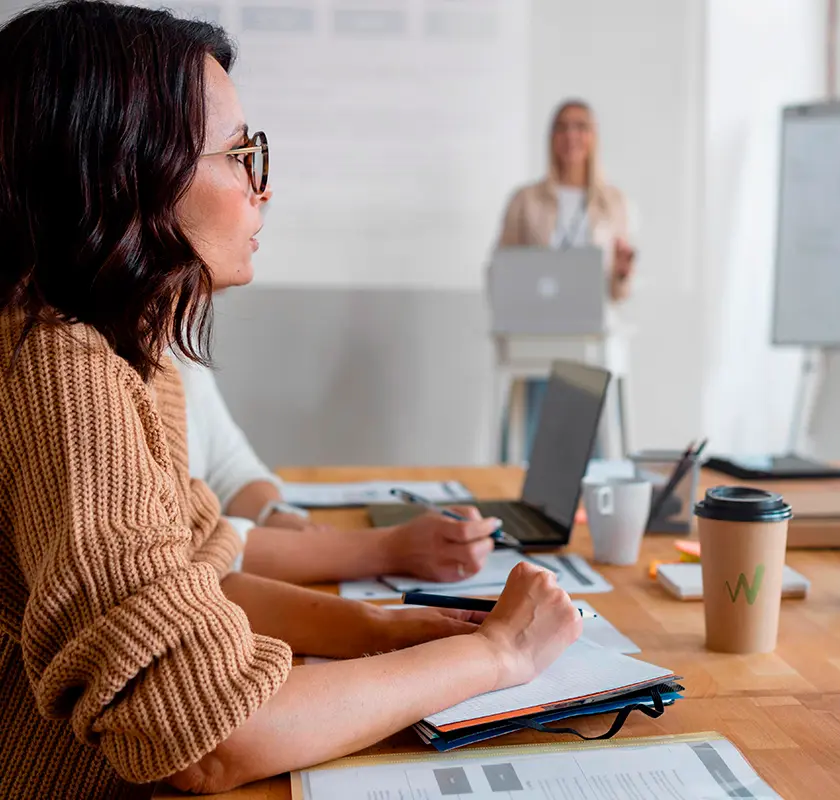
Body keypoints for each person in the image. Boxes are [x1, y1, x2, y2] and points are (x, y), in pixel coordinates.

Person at [0, 3, 581, 798]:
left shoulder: (128, 355)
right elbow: (202, 738)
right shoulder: (58, 364)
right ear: (129, 168)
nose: (261, 188)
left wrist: (383, 630)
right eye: (239, 154)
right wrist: (496, 657)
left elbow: (200, 574)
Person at [174, 353, 500, 584]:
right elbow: (181, 547)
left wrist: (274, 515)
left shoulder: (172, 344)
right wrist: (390, 550)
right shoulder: (125, 368)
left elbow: (229, 467)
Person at [495, 99, 637, 458]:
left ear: (593, 137)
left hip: (591, 331)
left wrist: (622, 271)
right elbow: (503, 268)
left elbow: (620, 292)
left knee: (595, 434)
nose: (570, 136)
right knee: (535, 435)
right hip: (539, 332)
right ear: (551, 137)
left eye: (580, 126)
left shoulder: (613, 202)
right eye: (562, 127)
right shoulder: (525, 200)